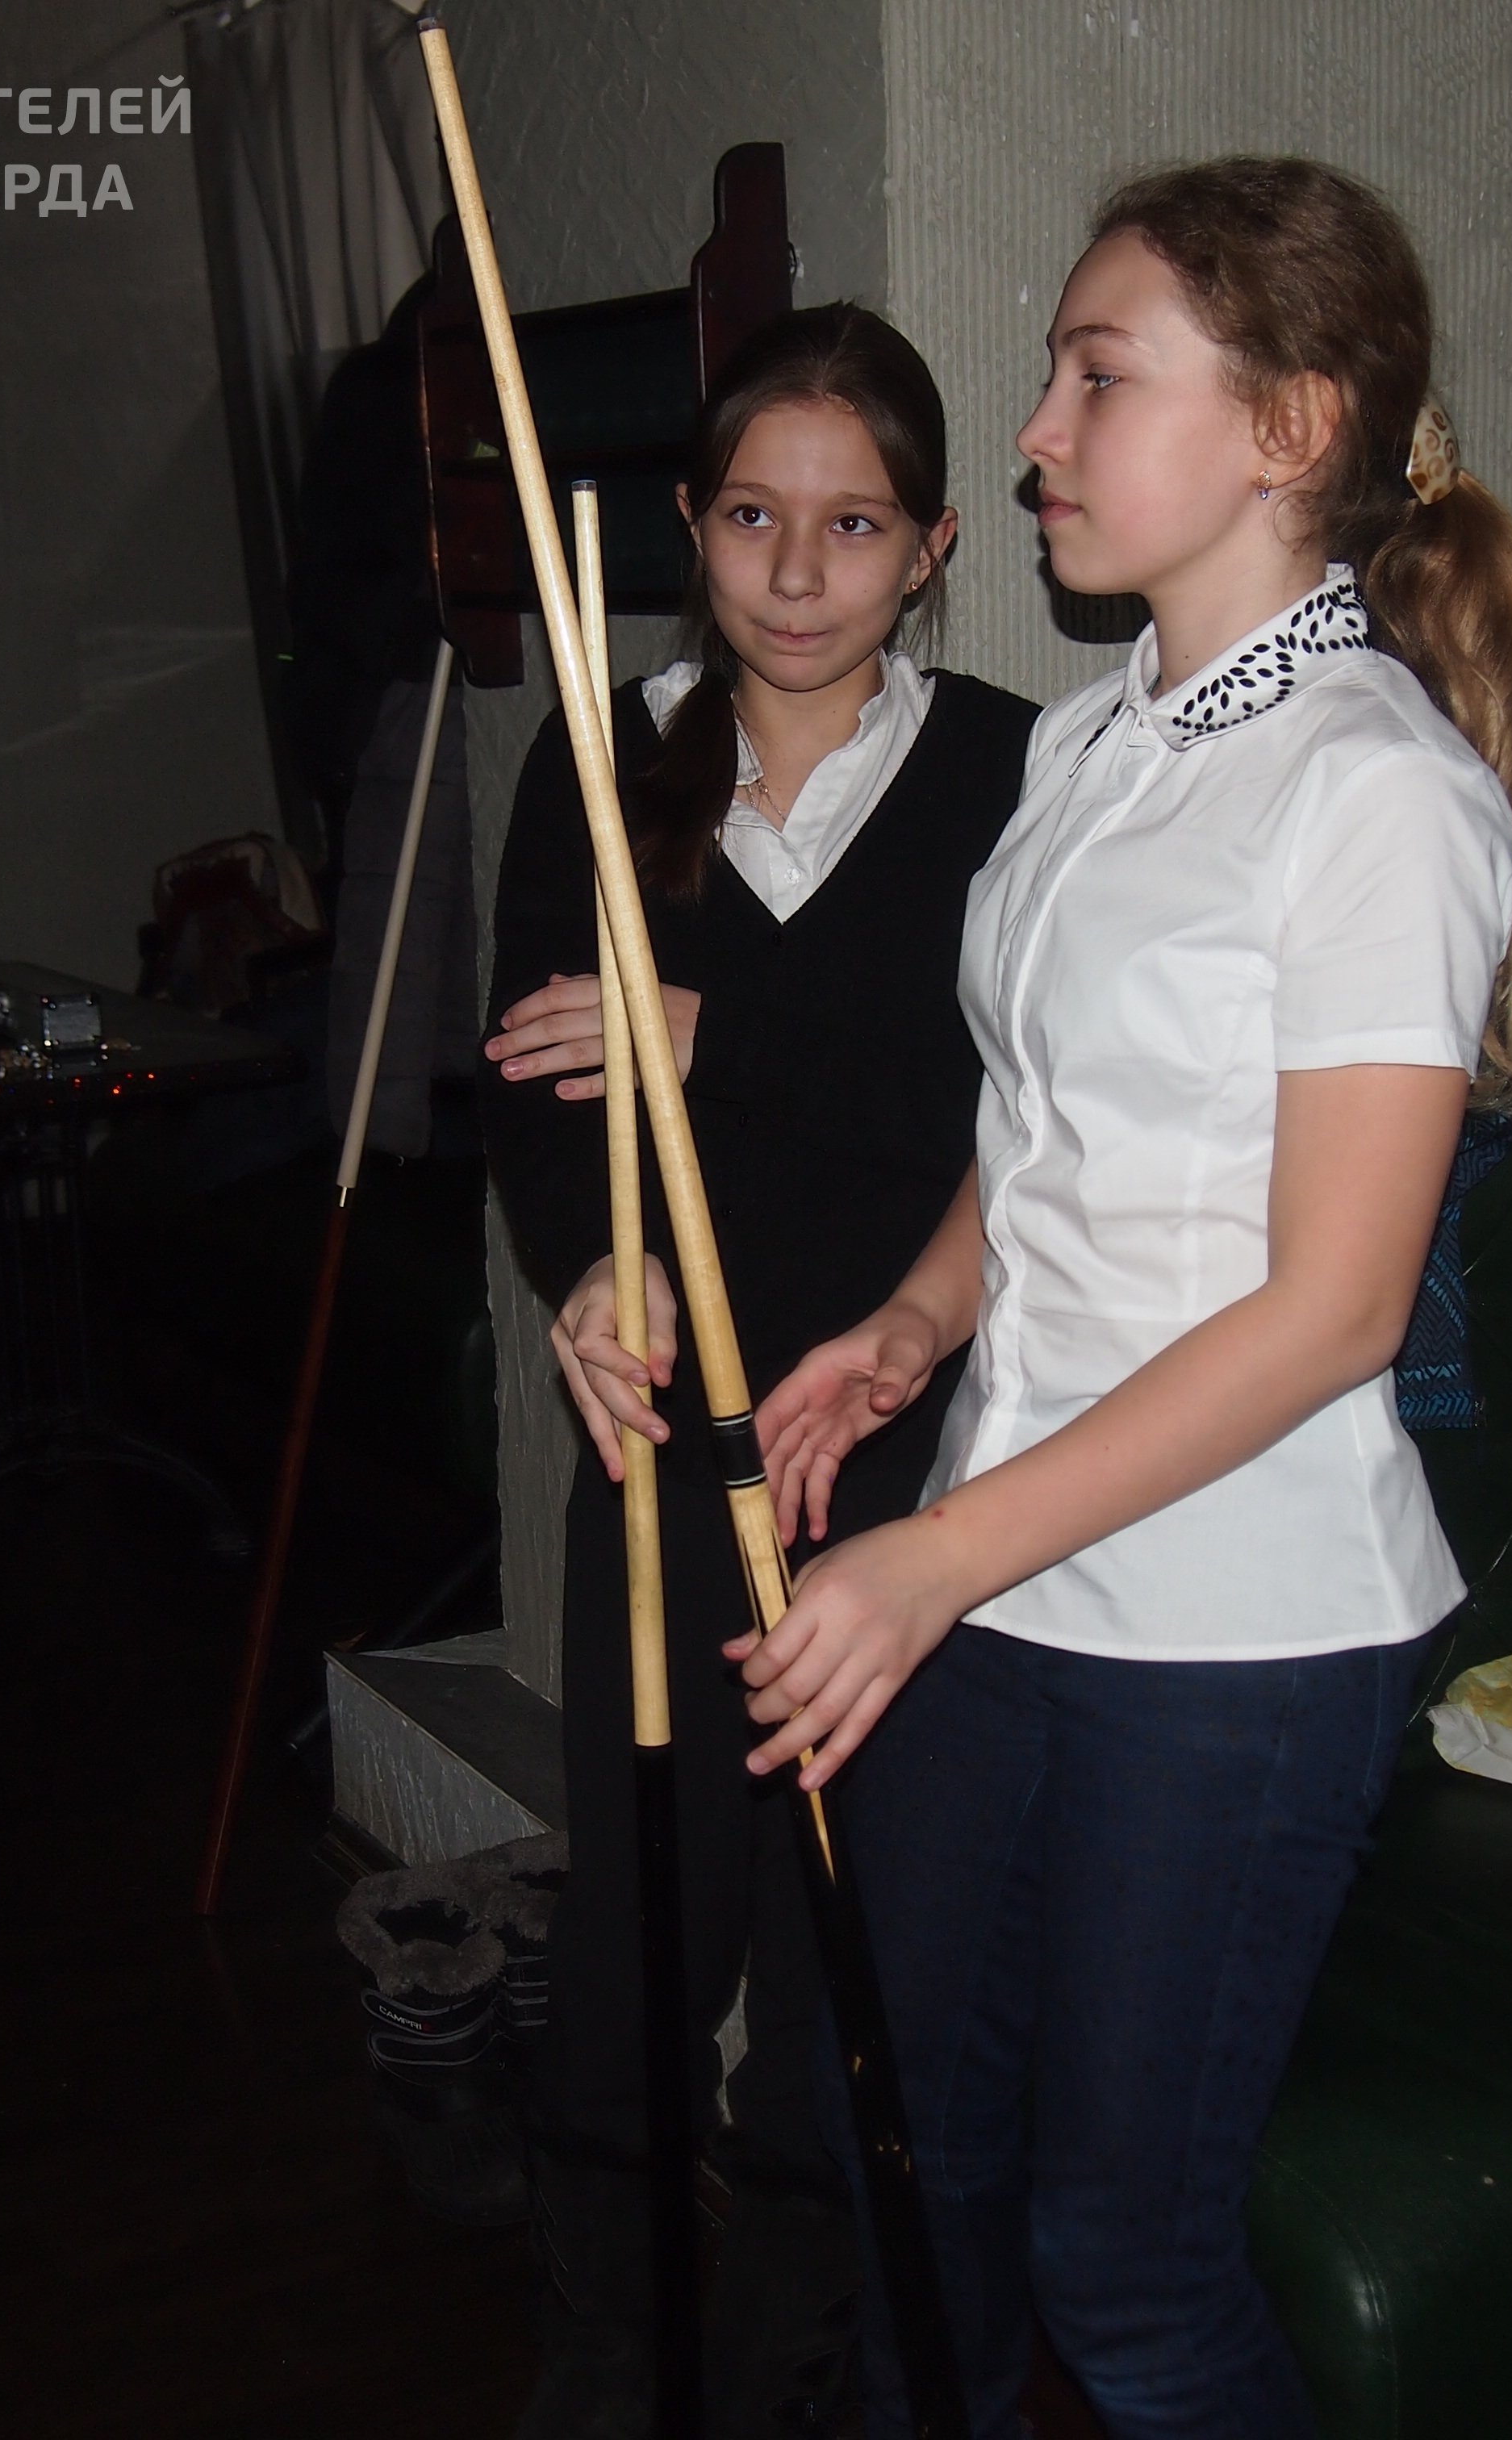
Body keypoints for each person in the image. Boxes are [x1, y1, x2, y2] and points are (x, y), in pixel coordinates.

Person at [743, 160, 1512, 2440]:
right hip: (1013, 1572)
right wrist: (918, 1328)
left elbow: (1335, 1312)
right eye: (1055, 376)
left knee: (1128, 2270)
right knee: (921, 2182)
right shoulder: (1093, 742)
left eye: (1099, 377)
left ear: (1291, 427)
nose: (1037, 432)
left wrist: (927, 1558)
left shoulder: (1375, 790)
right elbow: (1044, 1133)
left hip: (1231, 1635)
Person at [475, 303, 1039, 2440]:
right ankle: (608, 2358)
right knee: (643, 1935)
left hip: (900, 1455)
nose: (795, 576)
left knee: (843, 1952)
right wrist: (588, 1261)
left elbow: (1011, 1116)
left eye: (855, 525)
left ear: (936, 546)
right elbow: (541, 1080)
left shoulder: (1015, 771)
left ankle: (794, 2364)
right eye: (748, 518)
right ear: (689, 527)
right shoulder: (602, 754)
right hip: (663, 1450)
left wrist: (722, 1037)